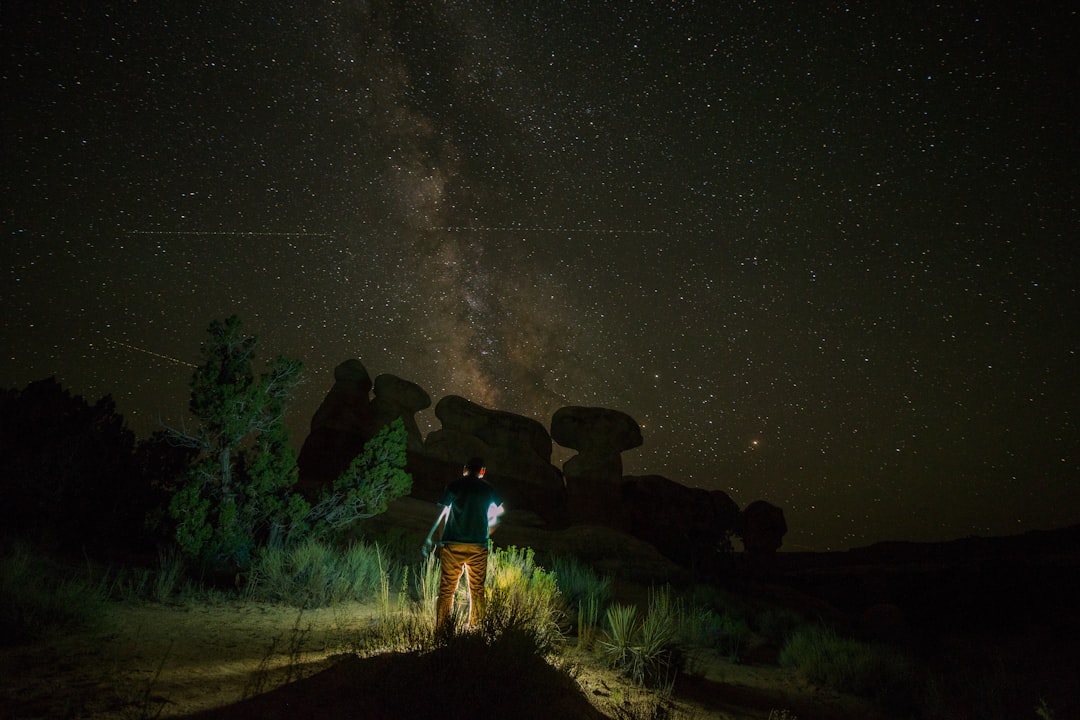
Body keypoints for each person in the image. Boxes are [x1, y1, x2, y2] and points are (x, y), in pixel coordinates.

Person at [422, 457, 505, 630]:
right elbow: (502, 514)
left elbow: (441, 514)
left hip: (453, 543)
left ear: (464, 469)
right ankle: (476, 627)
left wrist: (441, 539)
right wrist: (487, 532)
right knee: (477, 590)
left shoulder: (453, 486)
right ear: (482, 471)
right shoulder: (488, 489)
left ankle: (442, 629)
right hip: (478, 545)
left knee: (447, 590)